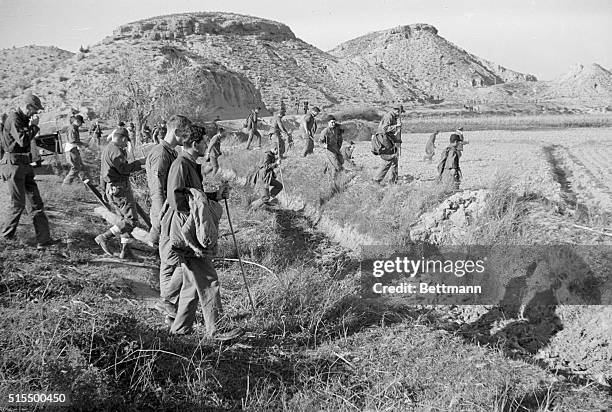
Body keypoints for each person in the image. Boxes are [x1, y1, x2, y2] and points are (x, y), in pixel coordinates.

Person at [159, 130, 242, 339]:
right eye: (205, 142)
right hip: (188, 233)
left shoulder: (189, 164)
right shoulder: (181, 165)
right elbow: (177, 199)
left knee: (190, 284)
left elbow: (194, 197)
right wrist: (200, 209)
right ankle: (217, 330)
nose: (207, 145)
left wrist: (214, 196)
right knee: (208, 279)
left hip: (190, 229)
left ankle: (179, 329)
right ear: (195, 144)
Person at [0, 94, 55, 249]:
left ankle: (44, 240)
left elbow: (25, 142)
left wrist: (31, 126)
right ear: (27, 106)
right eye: (35, 109)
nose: (36, 113)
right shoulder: (14, 118)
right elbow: (23, 140)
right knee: (17, 203)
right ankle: (5, 239)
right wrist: (35, 126)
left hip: (24, 163)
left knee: (36, 203)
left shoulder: (23, 119)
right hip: (14, 164)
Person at [95, 126, 143, 259]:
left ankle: (126, 251)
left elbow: (102, 172)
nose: (126, 144)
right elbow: (124, 169)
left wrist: (103, 188)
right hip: (120, 189)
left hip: (112, 189)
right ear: (122, 138)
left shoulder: (107, 149)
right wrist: (139, 163)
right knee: (131, 221)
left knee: (123, 220)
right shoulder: (115, 151)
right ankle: (104, 237)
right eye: (126, 141)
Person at [145, 115, 191, 248]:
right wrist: (162, 219)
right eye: (185, 133)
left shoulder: (171, 153)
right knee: (165, 250)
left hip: (170, 207)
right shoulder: (161, 155)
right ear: (176, 132)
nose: (188, 137)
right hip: (163, 209)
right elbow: (158, 190)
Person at [373, 106, 403, 185]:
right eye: (400, 112)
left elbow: (390, 133)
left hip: (388, 140)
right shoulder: (388, 116)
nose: (400, 114)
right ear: (397, 110)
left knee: (395, 160)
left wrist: (397, 140)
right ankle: (376, 180)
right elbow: (384, 129)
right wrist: (396, 126)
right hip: (384, 140)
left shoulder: (393, 117)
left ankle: (393, 181)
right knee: (388, 160)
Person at [62, 114, 90, 185]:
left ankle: (85, 182)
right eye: (81, 122)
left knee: (81, 166)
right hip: (71, 150)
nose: (81, 124)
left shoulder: (74, 128)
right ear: (77, 121)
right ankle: (66, 184)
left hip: (73, 150)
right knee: (76, 168)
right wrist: (83, 144)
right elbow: (73, 140)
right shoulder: (72, 128)